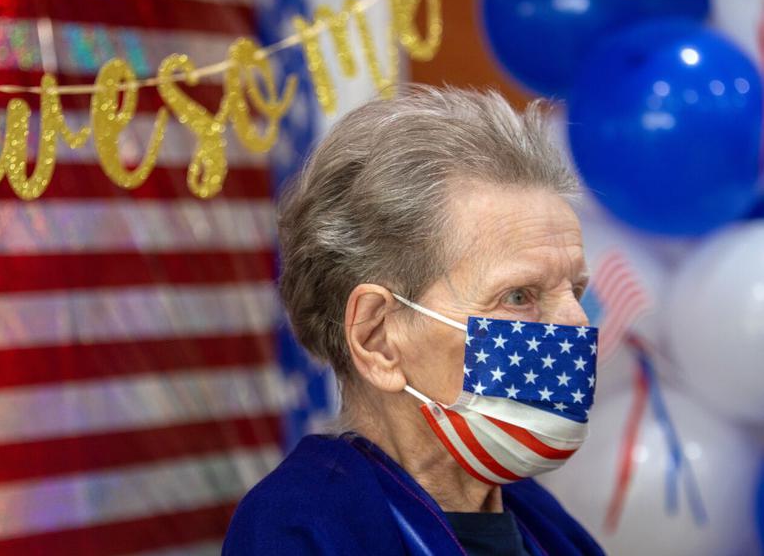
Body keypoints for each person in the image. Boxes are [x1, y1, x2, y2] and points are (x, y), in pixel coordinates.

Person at [223, 85, 605, 555]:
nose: (576, 324)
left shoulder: (542, 520)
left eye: (576, 291)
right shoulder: (303, 530)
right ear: (378, 337)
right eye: (519, 295)